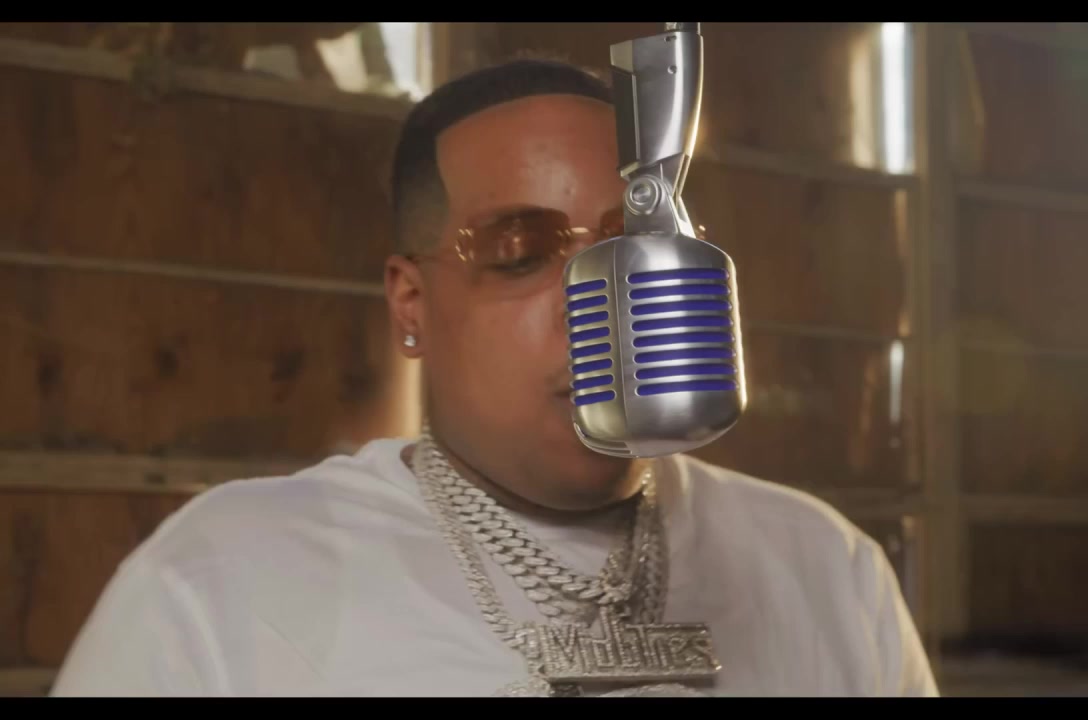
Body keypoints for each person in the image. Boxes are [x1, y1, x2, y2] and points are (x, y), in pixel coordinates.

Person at [50, 58, 939, 698]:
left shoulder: (827, 569)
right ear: (411, 304)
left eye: (629, 249)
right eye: (520, 255)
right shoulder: (221, 584)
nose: (597, 303)